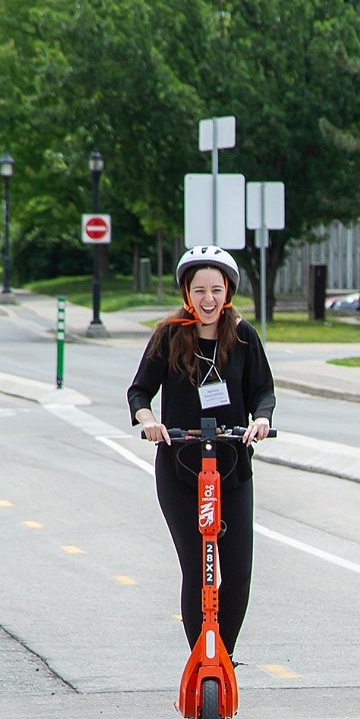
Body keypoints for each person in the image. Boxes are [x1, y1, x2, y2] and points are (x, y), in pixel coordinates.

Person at [128, 245, 275, 658]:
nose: (208, 299)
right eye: (199, 290)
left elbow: (263, 391)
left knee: (238, 574)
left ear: (227, 291)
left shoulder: (243, 335)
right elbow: (139, 391)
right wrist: (148, 420)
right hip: (180, 467)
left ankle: (220, 661)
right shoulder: (170, 333)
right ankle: (200, 661)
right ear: (186, 293)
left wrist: (261, 420)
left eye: (216, 289)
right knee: (199, 571)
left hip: (230, 468)